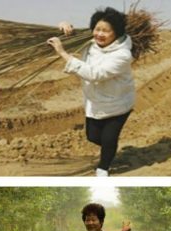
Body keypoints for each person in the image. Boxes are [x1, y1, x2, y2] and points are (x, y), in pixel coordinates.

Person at [47, 7, 135, 177]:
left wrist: (62, 53)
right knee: (93, 137)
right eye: (97, 29)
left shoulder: (123, 55)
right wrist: (63, 26)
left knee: (109, 139)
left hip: (118, 103)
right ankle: (110, 149)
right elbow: (63, 35)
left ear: (116, 33)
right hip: (95, 101)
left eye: (106, 31)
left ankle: (103, 168)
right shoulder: (89, 42)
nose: (100, 34)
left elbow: (95, 74)